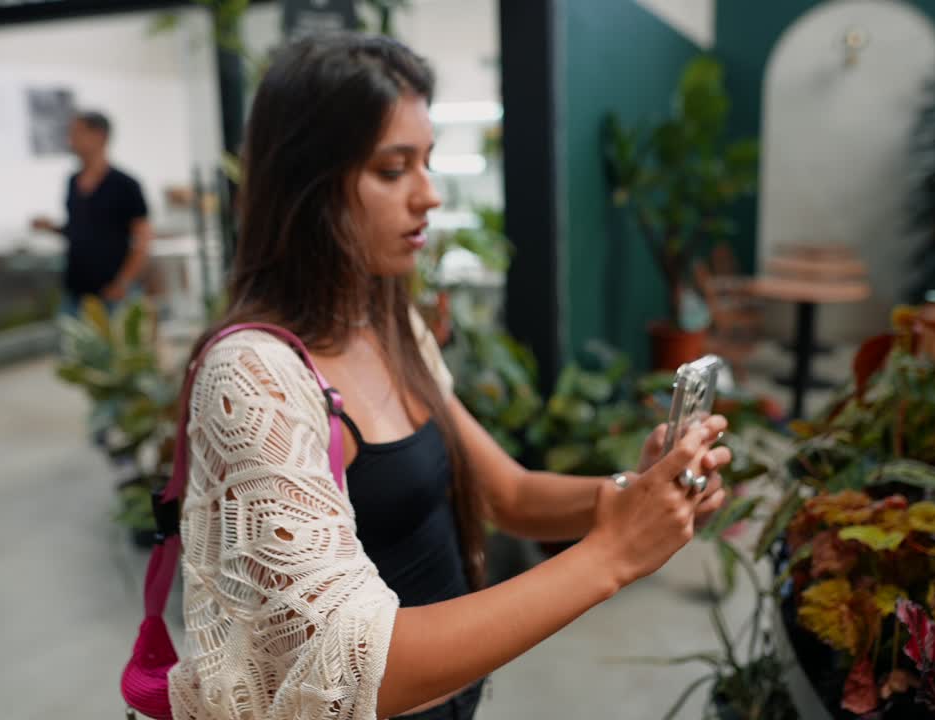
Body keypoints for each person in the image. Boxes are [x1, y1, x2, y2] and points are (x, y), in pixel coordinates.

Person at [167, 33, 732, 720]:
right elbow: (360, 672)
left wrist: (635, 495)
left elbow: (508, 493)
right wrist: (613, 555)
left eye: (427, 163)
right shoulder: (253, 376)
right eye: (392, 169)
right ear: (308, 186)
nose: (429, 196)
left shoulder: (389, 324)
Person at [31, 111, 153, 314]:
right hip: (76, 291)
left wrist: (123, 283)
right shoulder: (73, 181)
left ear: (99, 136)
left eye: (77, 132)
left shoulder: (125, 185)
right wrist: (51, 227)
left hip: (112, 293)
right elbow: (81, 230)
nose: (71, 139)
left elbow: (143, 239)